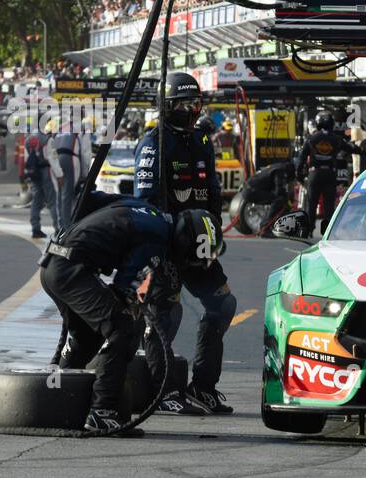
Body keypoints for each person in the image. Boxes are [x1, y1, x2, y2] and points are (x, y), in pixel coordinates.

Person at [42, 204, 219, 433]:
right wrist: (132, 305)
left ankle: (59, 401)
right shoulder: (157, 240)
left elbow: (100, 199)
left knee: (88, 337)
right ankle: (102, 411)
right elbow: (125, 283)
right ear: (187, 243)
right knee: (123, 327)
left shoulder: (151, 213)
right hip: (71, 270)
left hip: (54, 264)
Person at [135, 72, 236, 416]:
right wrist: (160, 244)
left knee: (223, 304)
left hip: (200, 244)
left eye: (196, 103)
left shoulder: (203, 141)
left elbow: (213, 194)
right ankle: (161, 392)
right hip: (166, 245)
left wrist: (215, 232)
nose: (192, 109)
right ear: (167, 106)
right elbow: (145, 200)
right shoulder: (153, 143)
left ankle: (203, 387)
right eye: (183, 104)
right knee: (166, 314)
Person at [296, 109, 354, 237]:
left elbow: (301, 159)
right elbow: (351, 148)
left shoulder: (311, 139)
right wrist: (364, 150)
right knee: (329, 206)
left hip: (314, 174)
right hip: (329, 174)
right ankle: (327, 232)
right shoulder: (336, 139)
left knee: (311, 203)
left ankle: (308, 230)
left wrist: (299, 174)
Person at [25, 122, 60, 238]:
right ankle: (58, 228)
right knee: (52, 200)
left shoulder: (29, 139)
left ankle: (35, 228)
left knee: (36, 201)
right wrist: (59, 174)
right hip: (47, 170)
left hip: (34, 171)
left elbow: (27, 157)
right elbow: (52, 157)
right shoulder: (48, 138)